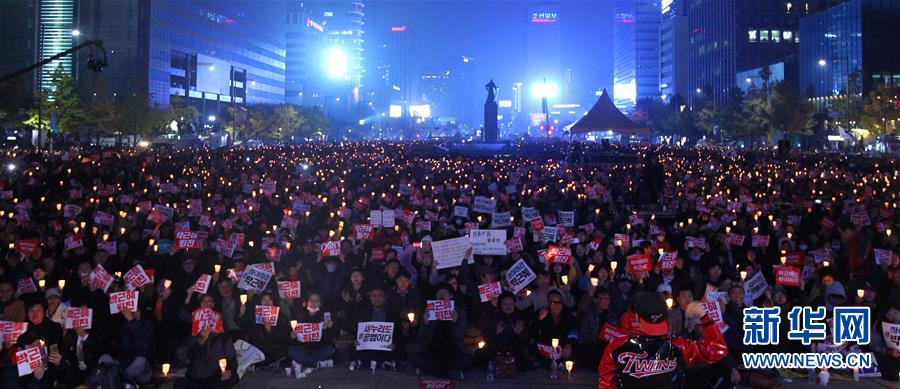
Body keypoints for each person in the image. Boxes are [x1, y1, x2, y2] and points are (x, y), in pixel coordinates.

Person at [599, 292, 728, 388]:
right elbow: (717, 350)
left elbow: (606, 384)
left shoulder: (616, 346)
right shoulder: (679, 346)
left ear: (637, 318)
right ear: (665, 318)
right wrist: (705, 317)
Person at [409, 283, 470, 379]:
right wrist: (425, 323)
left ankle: (429, 371)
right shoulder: (429, 310)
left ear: (451, 296)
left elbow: (459, 337)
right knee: (414, 358)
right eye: (438, 293)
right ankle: (450, 373)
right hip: (431, 351)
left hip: (452, 351)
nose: (441, 296)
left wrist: (454, 322)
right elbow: (421, 337)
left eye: (444, 293)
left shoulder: (459, 311)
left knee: (466, 360)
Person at [287, 292, 336, 378]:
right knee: (292, 351)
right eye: (311, 300)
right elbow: (292, 336)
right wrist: (292, 336)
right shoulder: (299, 315)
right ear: (306, 302)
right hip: (303, 348)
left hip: (319, 348)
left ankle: (303, 362)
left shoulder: (325, 316)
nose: (313, 302)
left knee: (330, 350)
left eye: (316, 300)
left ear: (320, 303)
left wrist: (330, 327)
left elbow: (331, 337)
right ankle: (317, 364)